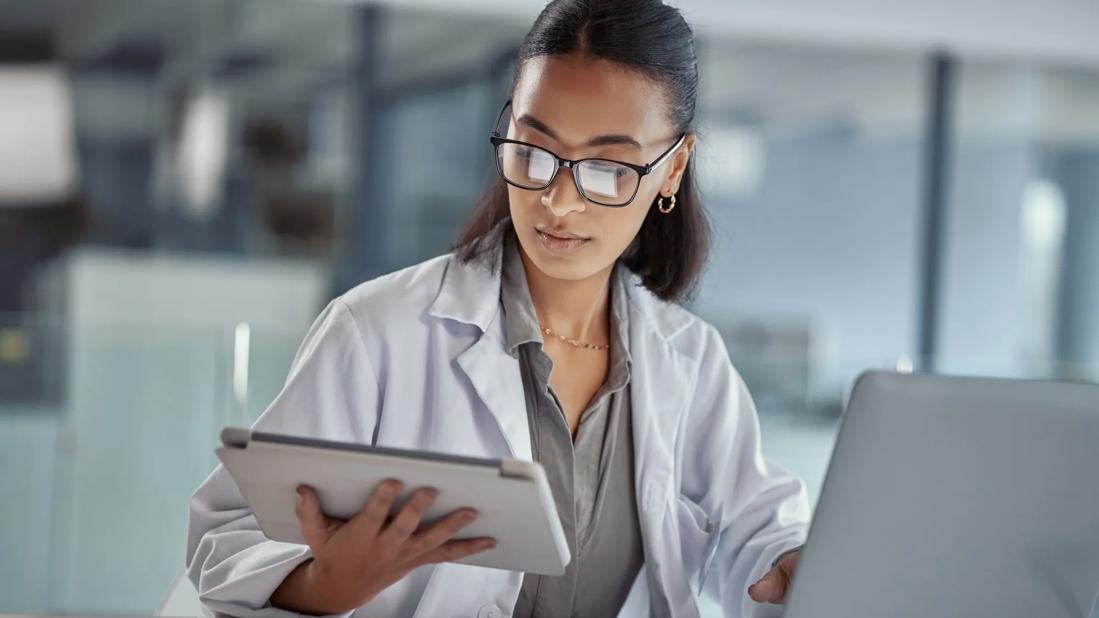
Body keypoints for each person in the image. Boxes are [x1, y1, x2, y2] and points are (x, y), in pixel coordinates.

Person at [186, 1, 809, 615]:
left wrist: (793, 562)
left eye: (608, 168)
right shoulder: (376, 332)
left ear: (672, 168)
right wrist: (327, 584)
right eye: (534, 151)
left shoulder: (690, 360)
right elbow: (227, 538)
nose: (560, 202)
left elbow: (754, 532)